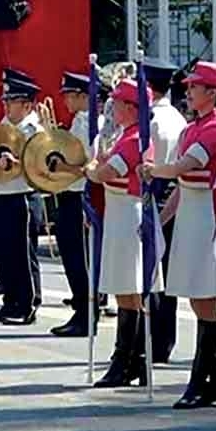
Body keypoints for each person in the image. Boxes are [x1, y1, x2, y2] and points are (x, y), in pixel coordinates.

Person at [143, 61, 216, 409]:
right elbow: (181, 183)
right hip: (191, 213)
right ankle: (213, 377)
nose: (189, 91)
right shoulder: (191, 128)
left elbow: (186, 167)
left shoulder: (214, 129)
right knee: (196, 298)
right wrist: (162, 218)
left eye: (196, 86)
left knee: (203, 296)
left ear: (212, 92)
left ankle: (206, 378)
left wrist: (154, 170)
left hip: (206, 214)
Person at [88, 80, 150, 387]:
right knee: (126, 288)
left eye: (118, 104)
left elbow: (105, 174)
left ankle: (125, 360)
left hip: (126, 210)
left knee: (128, 288)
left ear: (130, 107)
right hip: (119, 210)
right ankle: (133, 358)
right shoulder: (126, 136)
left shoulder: (134, 139)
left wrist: (90, 169)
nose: (113, 109)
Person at [0, 69, 46, 325]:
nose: (6, 105)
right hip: (1, 195)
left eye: (11, 101)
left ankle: (28, 304)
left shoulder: (35, 130)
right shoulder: (4, 127)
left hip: (22, 196)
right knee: (3, 252)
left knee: (22, 253)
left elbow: (40, 164)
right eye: (5, 101)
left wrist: (16, 161)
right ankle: (10, 301)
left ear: (27, 104)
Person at [140, 60, 187, 363]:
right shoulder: (179, 118)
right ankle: (163, 340)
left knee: (151, 271)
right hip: (173, 190)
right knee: (166, 273)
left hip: (155, 192)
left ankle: (152, 339)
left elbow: (146, 163)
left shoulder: (153, 120)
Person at [47, 71, 98, 338]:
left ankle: (85, 313)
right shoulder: (83, 121)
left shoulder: (85, 123)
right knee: (76, 256)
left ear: (81, 96)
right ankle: (84, 308)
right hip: (74, 195)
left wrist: (61, 166)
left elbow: (87, 164)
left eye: (69, 95)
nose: (65, 100)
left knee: (77, 258)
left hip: (77, 195)